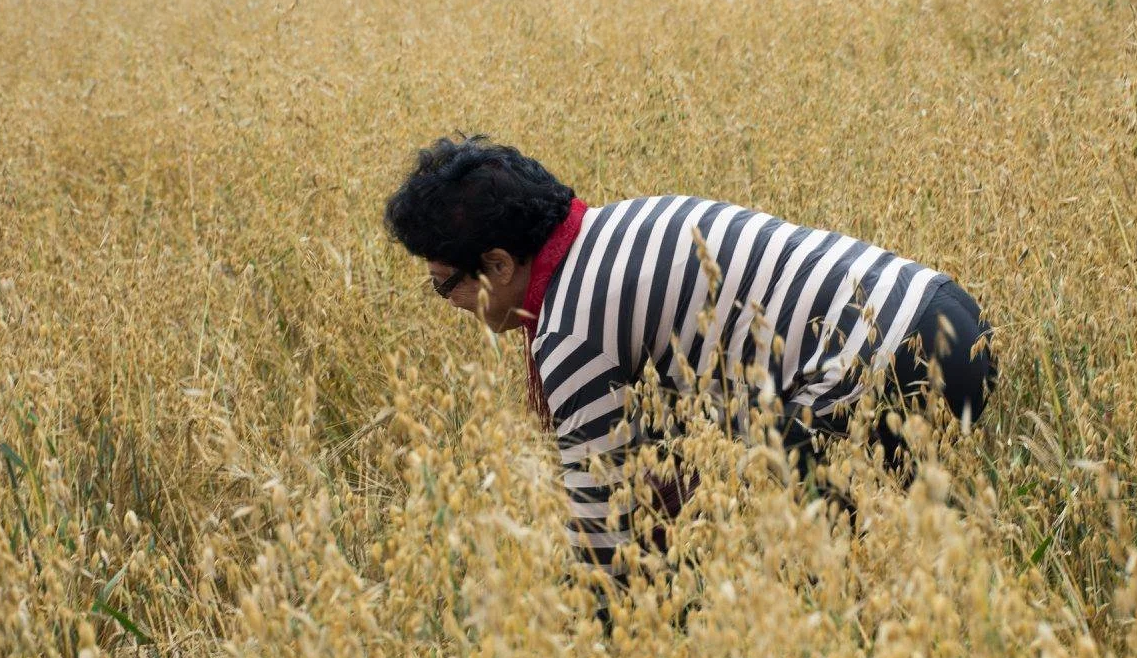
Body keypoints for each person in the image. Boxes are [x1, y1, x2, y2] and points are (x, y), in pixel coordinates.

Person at [384, 135, 997, 580]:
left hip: (890, 372)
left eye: (446, 286)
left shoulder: (569, 329)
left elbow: (604, 533)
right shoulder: (618, 224)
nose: (451, 304)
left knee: (796, 587)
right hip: (948, 315)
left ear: (497, 264)